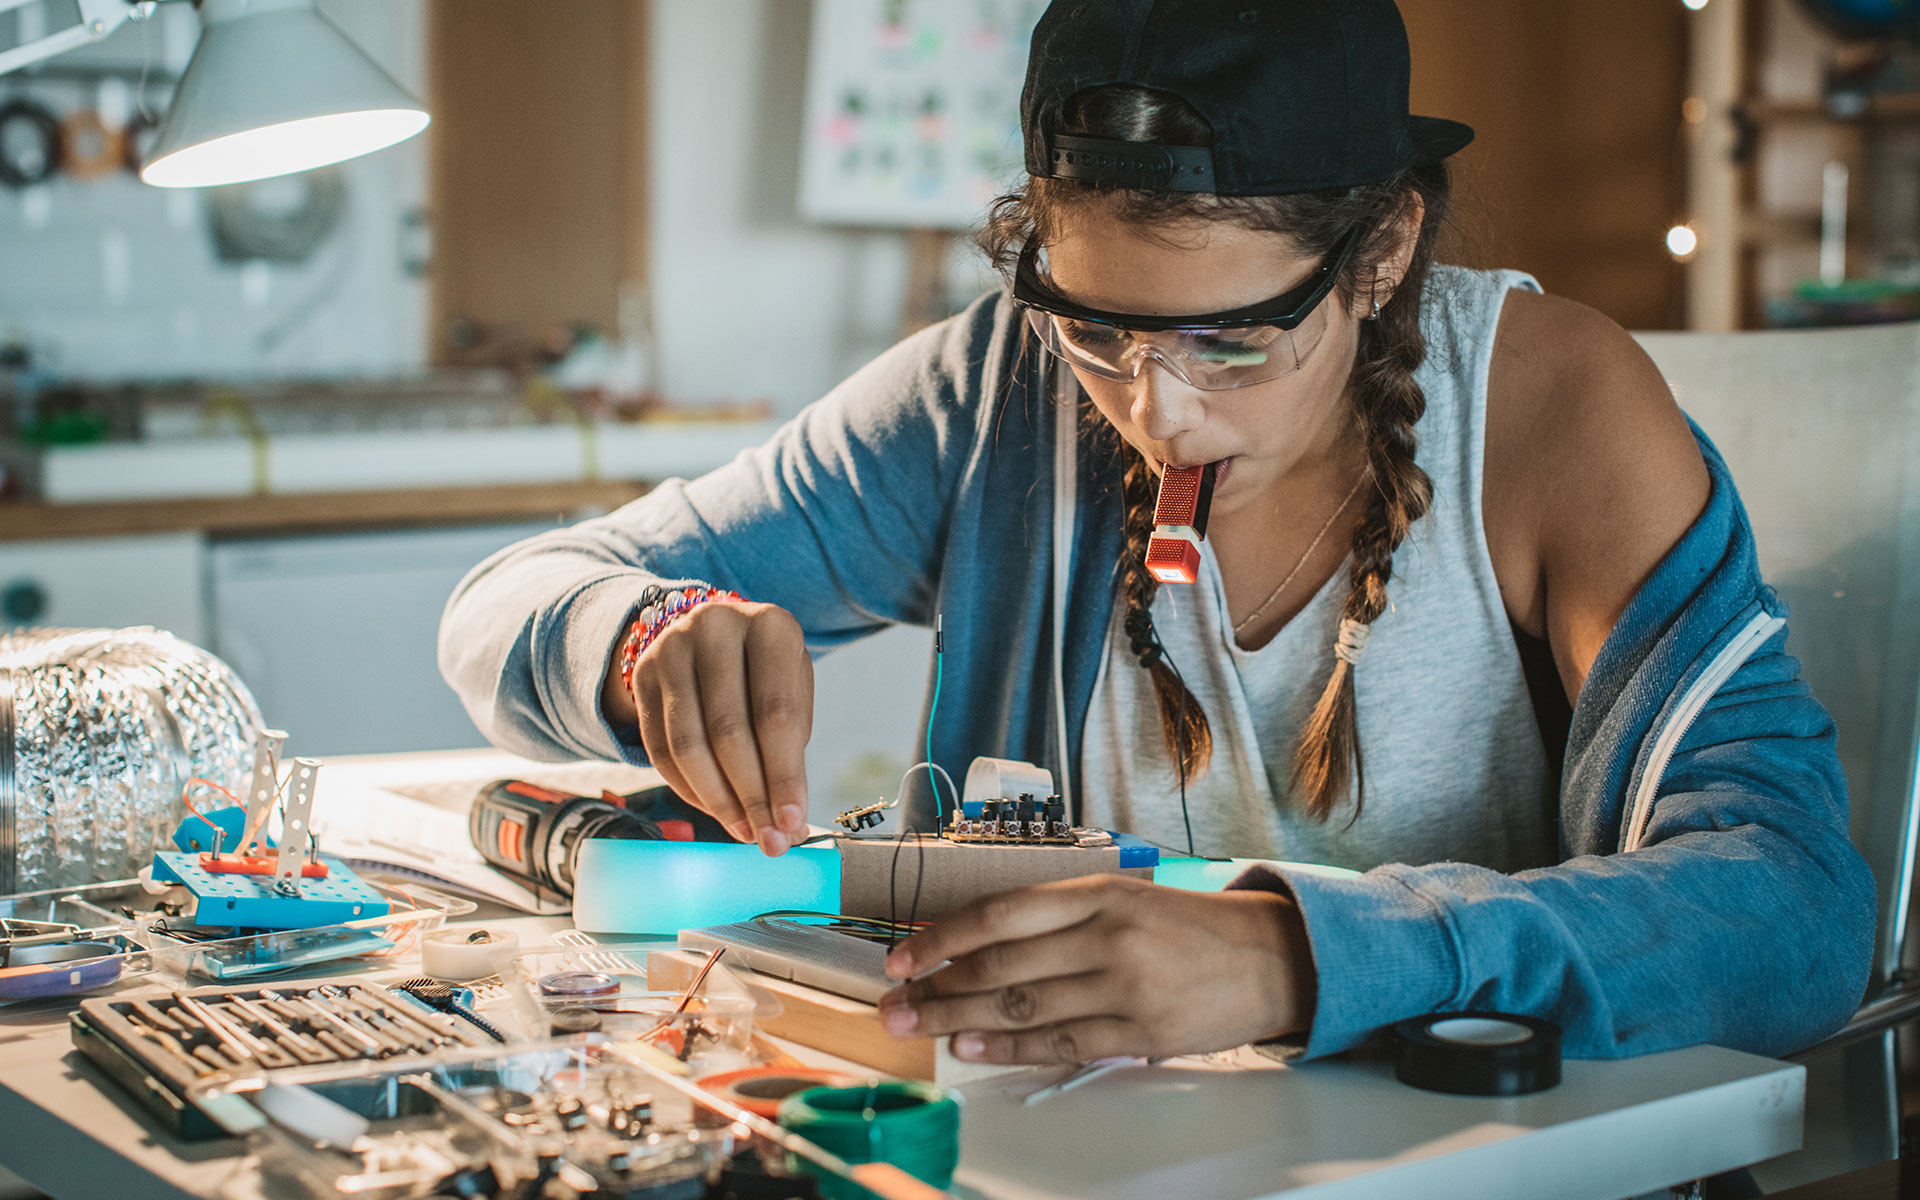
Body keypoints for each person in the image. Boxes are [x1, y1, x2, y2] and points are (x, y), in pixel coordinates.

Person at [440, 0, 1873, 1065]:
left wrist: (1296, 959)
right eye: (1096, 334)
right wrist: (639, 643)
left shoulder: (1553, 411)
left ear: (1381, 251)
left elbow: (1795, 906)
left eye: (1231, 343)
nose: (1156, 414)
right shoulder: (996, 388)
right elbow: (508, 604)